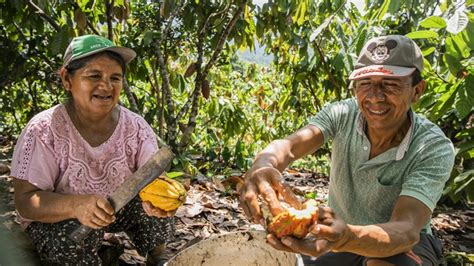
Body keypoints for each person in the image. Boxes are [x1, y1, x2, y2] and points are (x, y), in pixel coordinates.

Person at [239, 35, 455, 265]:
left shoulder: (432, 147)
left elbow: (407, 229)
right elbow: (290, 146)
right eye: (365, 84)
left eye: (390, 84)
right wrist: (263, 163)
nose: (375, 97)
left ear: (417, 90)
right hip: (339, 235)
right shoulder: (343, 114)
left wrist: (346, 237)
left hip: (400, 243)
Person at [10, 34, 174, 265]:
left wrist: (163, 197)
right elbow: (26, 201)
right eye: (94, 76)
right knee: (68, 239)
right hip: (62, 221)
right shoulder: (44, 129)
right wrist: (75, 206)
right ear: (67, 79)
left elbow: (154, 180)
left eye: (115, 78)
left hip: (115, 209)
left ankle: (158, 255)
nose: (106, 86)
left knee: (157, 201)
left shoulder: (136, 127)